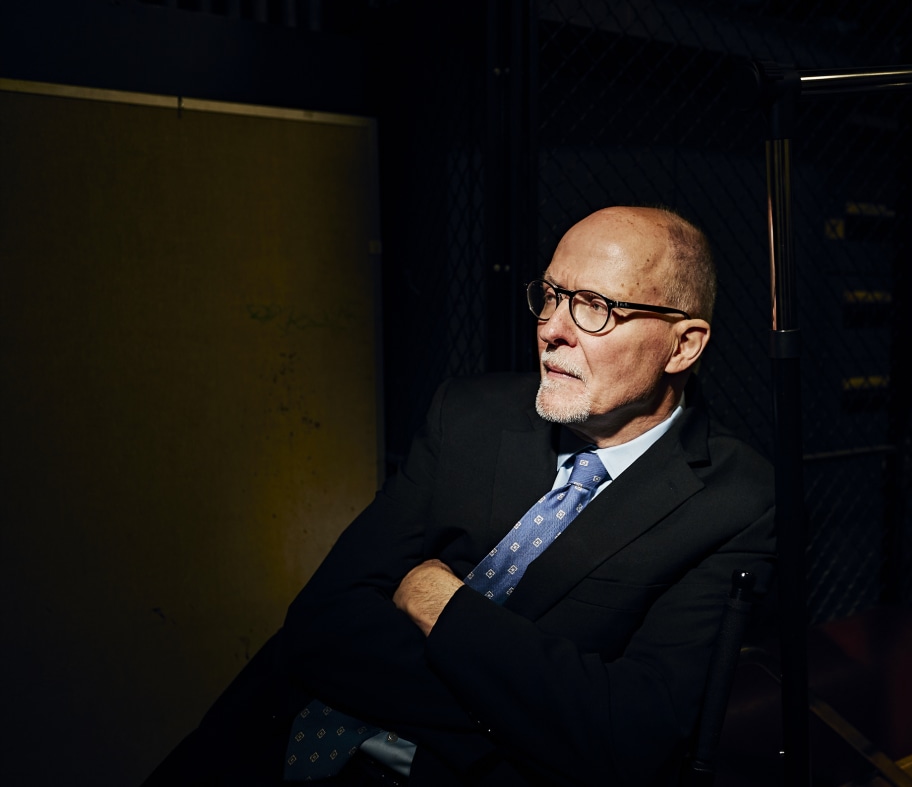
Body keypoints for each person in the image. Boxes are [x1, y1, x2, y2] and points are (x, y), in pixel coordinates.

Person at [144, 206, 775, 786]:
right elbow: (323, 623)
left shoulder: (734, 499)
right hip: (268, 737)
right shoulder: (470, 414)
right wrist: (521, 711)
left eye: (594, 307)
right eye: (551, 296)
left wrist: (441, 605)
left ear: (684, 344)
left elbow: (628, 734)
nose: (552, 329)